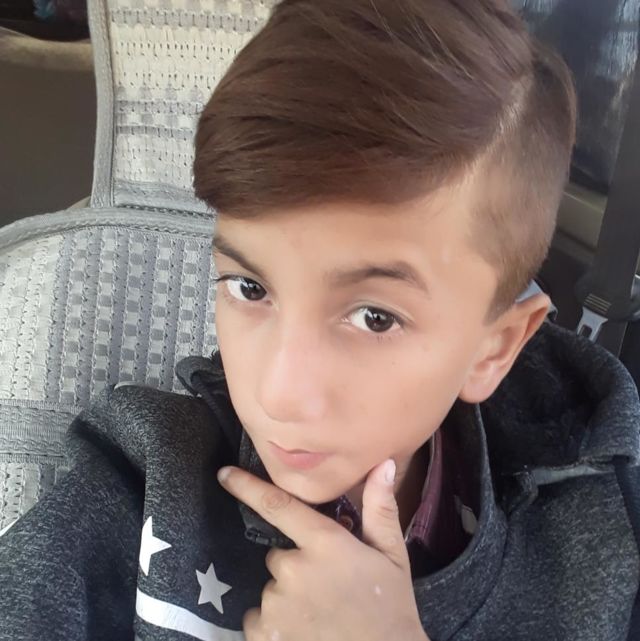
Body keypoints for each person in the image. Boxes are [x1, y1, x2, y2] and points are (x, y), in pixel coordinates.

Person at [1, 1, 639, 640]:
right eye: (250, 287)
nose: (279, 394)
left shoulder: (600, 542)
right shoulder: (139, 485)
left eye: (375, 317)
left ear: (492, 349)